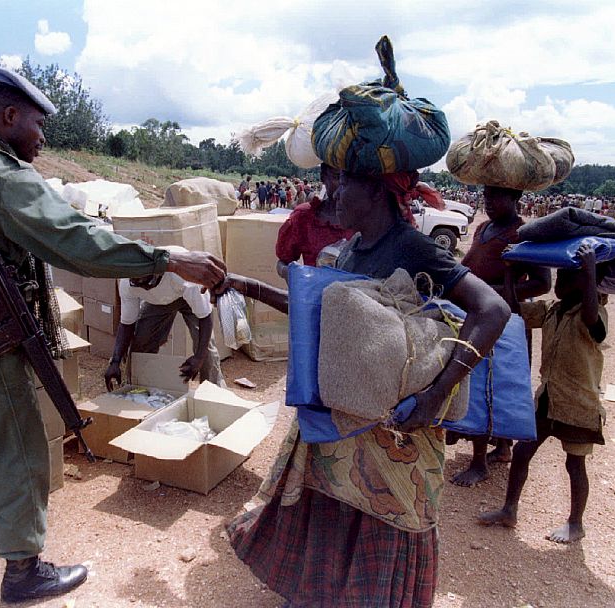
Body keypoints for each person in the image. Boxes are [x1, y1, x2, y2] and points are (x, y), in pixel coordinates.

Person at [0, 67, 225, 603]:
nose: (43, 138)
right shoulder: (1, 174)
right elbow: (75, 241)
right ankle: (24, 571)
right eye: (36, 124)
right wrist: (167, 257)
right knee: (19, 445)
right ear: (9, 118)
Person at [222, 169, 510, 606]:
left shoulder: (413, 247)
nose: (329, 194)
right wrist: (244, 286)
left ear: (376, 190)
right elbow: (315, 310)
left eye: (341, 184)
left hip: (396, 430)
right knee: (336, 514)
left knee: (386, 523)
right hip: (342, 423)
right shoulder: (354, 247)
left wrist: (437, 395)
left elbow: (493, 309)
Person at [479, 244, 607, 544]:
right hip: (548, 397)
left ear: (584, 282)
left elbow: (592, 320)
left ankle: (576, 523)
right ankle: (509, 509)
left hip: (579, 403)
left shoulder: (593, 312)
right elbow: (513, 310)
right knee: (523, 452)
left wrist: (590, 273)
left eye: (566, 277)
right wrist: (510, 274)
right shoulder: (552, 311)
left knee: (574, 464)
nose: (559, 283)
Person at [450, 185, 551, 486]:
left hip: (502, 319)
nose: (490, 203)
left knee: (487, 385)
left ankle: (479, 462)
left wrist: (488, 294)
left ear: (516, 199)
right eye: (486, 197)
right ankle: (502, 447)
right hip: (478, 314)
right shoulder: (483, 228)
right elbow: (468, 267)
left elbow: (541, 283)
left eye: (497, 197)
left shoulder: (526, 233)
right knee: (484, 381)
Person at [104, 246, 226, 391]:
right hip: (159, 301)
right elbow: (127, 324)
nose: (146, 288)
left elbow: (205, 317)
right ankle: (137, 387)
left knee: (205, 347)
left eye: (148, 284)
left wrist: (199, 358)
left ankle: (214, 391)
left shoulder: (185, 276)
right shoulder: (127, 283)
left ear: (158, 274)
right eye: (140, 285)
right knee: (142, 343)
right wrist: (115, 361)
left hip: (185, 294)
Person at [275, 163, 353, 277]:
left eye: (352, 178)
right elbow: (283, 262)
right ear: (323, 177)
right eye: (338, 177)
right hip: (315, 293)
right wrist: (291, 275)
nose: (345, 185)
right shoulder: (304, 217)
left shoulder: (369, 218)